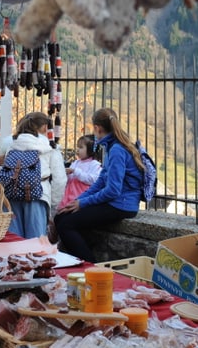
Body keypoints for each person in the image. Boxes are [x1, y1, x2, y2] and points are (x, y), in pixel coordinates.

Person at [55, 108, 143, 262]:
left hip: (121, 205)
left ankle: (89, 265)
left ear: (96, 128)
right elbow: (101, 180)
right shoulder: (110, 147)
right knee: (61, 216)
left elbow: (113, 190)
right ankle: (80, 257)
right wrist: (77, 201)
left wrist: (83, 203)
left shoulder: (116, 150)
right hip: (115, 202)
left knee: (66, 225)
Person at [3, 112, 67, 238]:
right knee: (35, 246)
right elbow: (60, 181)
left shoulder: (12, 145)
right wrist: (53, 207)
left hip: (11, 197)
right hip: (38, 197)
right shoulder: (50, 147)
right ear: (44, 127)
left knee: (13, 243)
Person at [57, 134, 101, 211]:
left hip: (82, 197)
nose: (78, 149)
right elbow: (70, 179)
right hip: (68, 194)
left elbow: (93, 180)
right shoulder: (76, 163)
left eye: (81, 147)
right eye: (77, 147)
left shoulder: (95, 164)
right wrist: (66, 174)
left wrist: (75, 171)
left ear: (90, 149)